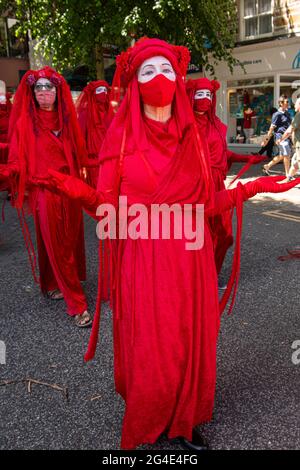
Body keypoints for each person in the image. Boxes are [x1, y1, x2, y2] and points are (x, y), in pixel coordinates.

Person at [41, 38, 299, 451]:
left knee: (187, 343)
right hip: (144, 259)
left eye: (165, 71)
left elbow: (206, 205)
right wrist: (74, 189)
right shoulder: (120, 142)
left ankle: (182, 418)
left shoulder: (192, 139)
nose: (158, 79)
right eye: (147, 72)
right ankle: (152, 419)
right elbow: (110, 210)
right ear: (134, 83)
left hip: (192, 259)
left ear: (177, 79)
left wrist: (255, 187)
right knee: (153, 348)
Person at [0, 67, 92, 327]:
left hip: (69, 189)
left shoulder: (66, 120)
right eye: (38, 88)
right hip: (44, 192)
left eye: (48, 87)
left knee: (67, 240)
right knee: (58, 245)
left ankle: (52, 283)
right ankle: (77, 304)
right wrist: (7, 171)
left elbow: (79, 156)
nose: (43, 92)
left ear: (57, 91)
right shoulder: (24, 124)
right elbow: (17, 161)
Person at [186, 78, 264, 277]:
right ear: (191, 97)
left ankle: (210, 274)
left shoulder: (215, 124)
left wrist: (247, 157)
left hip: (217, 184)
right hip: (196, 187)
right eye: (199, 94)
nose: (204, 99)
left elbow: (224, 153)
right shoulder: (185, 126)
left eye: (207, 95)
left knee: (224, 235)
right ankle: (197, 279)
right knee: (197, 235)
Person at [76, 80, 110, 188]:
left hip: (109, 160)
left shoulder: (110, 113)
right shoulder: (85, 114)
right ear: (93, 94)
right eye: (99, 90)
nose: (103, 93)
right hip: (93, 162)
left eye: (105, 90)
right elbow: (80, 136)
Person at [262, 95, 292, 176]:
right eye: (287, 102)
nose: (288, 103)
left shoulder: (287, 113)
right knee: (287, 155)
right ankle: (288, 175)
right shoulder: (276, 114)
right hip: (280, 138)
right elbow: (271, 128)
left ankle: (267, 166)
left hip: (287, 138)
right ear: (281, 103)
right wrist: (266, 140)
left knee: (282, 155)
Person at [277, 97, 300, 182]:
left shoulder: (299, 114)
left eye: (296, 104)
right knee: (295, 163)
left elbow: (290, 130)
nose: (294, 105)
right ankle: (289, 178)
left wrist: (281, 139)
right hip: (297, 145)